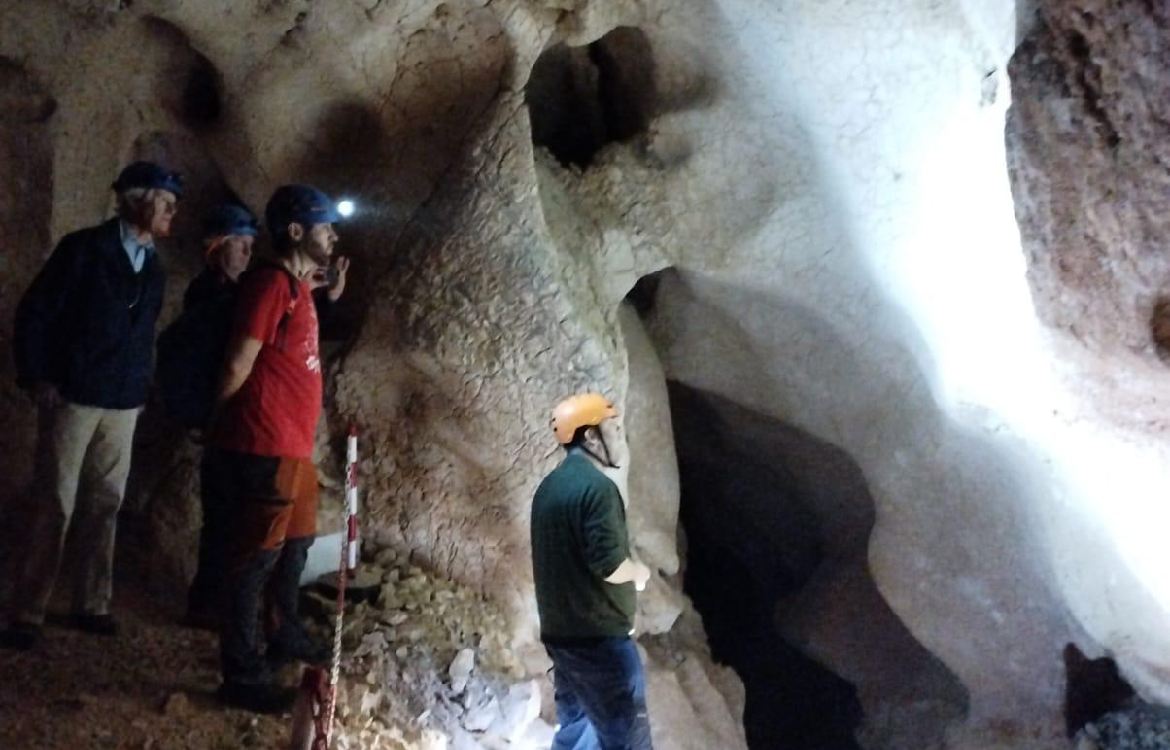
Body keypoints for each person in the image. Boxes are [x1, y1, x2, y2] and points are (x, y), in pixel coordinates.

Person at [3, 161, 182, 650]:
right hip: (75, 395)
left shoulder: (155, 267)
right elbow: (36, 311)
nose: (172, 213)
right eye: (166, 203)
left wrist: (141, 387)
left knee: (106, 503)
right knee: (54, 500)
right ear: (138, 200)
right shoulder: (83, 250)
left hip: (122, 400)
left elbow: (144, 334)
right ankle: (28, 609)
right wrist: (38, 375)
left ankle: (92, 602)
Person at [209, 184, 348, 713]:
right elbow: (238, 363)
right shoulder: (270, 286)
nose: (333, 235)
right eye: (324, 226)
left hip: (292, 448)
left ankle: (281, 633)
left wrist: (324, 294)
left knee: (293, 551)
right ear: (295, 231)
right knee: (252, 563)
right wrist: (220, 424)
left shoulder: (298, 289)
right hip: (262, 443)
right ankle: (242, 675)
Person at [531, 393, 655, 750]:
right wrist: (640, 573)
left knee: (576, 734)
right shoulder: (597, 490)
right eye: (612, 429)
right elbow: (611, 565)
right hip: (601, 643)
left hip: (563, 640)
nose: (619, 437)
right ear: (589, 437)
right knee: (627, 740)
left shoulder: (547, 490)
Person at [179, 203, 260, 630]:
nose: (248, 254)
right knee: (223, 517)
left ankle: (214, 602)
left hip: (231, 418)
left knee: (229, 516)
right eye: (241, 246)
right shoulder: (209, 296)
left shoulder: (227, 295)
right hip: (220, 417)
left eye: (250, 246)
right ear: (218, 248)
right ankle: (208, 604)